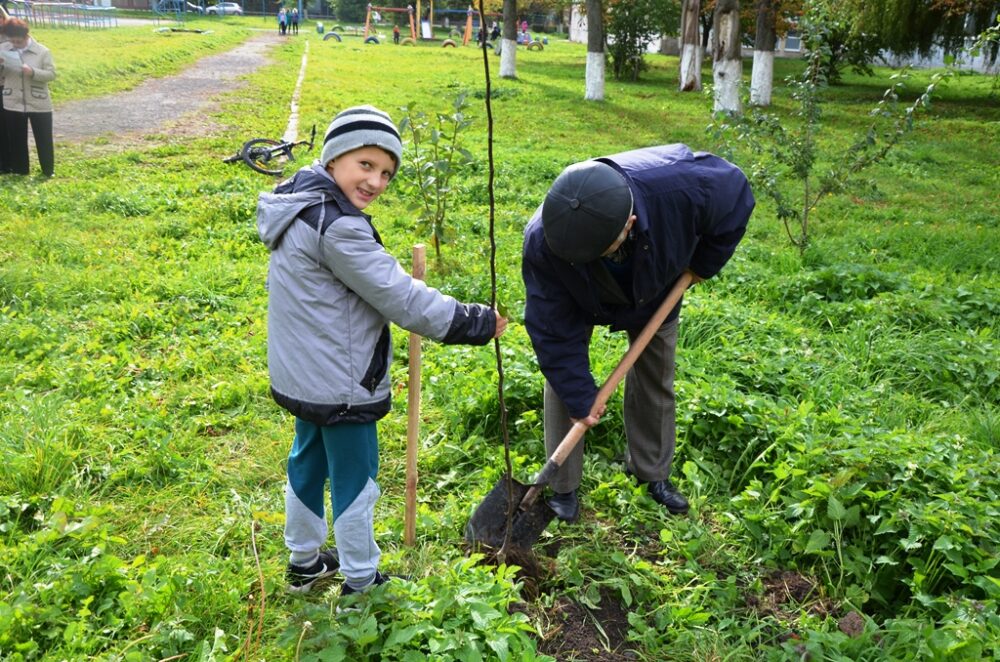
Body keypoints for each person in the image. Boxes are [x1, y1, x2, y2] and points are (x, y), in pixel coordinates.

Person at [256, 105, 508, 595]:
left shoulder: (299, 203)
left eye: (387, 172)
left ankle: (303, 563)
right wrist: (472, 321)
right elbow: (402, 297)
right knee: (355, 479)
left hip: (303, 374)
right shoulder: (338, 227)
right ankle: (360, 580)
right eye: (366, 164)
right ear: (334, 158)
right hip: (341, 382)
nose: (376, 181)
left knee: (307, 461)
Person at [521, 145, 754, 523]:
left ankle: (651, 473)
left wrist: (704, 263)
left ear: (628, 224)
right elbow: (553, 334)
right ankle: (562, 486)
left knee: (655, 371)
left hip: (656, 283)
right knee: (565, 381)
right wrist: (582, 398)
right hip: (577, 294)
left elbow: (736, 195)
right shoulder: (545, 240)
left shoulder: (686, 186)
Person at [0, 19, 56, 178]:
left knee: (43, 137)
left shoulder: (42, 51)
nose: (15, 44)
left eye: (18, 41)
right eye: (12, 41)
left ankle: (48, 170)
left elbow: (51, 74)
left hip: (38, 100)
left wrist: (33, 72)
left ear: (26, 36)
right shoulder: (3, 49)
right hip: (13, 100)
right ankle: (20, 170)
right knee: (16, 138)